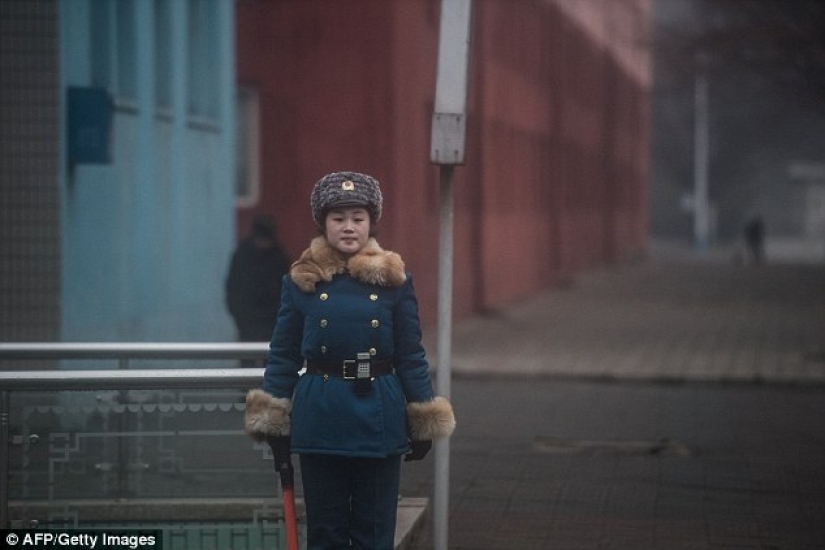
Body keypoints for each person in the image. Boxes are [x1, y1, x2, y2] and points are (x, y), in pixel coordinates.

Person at [244, 171, 455, 550]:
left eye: (357, 217)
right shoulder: (300, 281)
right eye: (338, 218)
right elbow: (284, 354)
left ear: (371, 222)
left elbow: (410, 354)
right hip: (321, 415)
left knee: (374, 533)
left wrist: (422, 414)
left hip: (379, 415)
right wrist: (273, 416)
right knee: (326, 533)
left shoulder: (396, 281)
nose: (348, 227)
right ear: (323, 223)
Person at [225, 214, 291, 342]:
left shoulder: (279, 258)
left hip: (271, 319)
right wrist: (238, 314)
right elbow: (233, 287)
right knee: (248, 354)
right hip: (247, 318)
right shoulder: (243, 256)